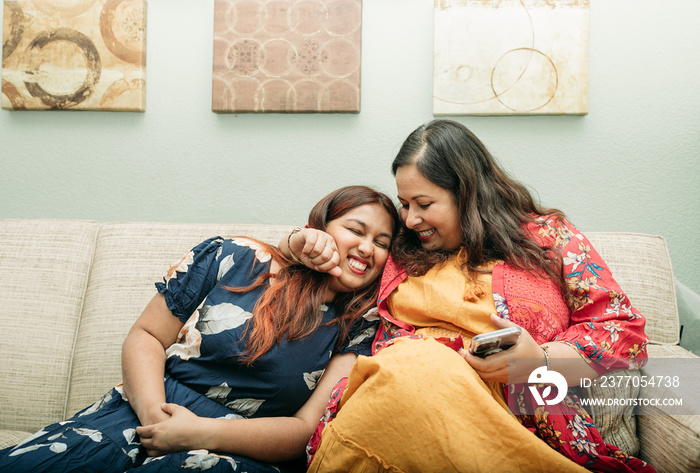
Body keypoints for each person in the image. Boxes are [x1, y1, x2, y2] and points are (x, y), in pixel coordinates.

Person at [286, 120, 654, 472]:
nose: (411, 219)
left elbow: (623, 330)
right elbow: (337, 255)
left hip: (509, 413)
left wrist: (540, 360)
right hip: (395, 395)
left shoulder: (547, 238)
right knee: (412, 365)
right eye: (405, 203)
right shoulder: (398, 245)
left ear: (468, 192)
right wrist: (295, 241)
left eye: (424, 204)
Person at [0, 185, 399, 473]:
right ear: (321, 226)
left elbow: (302, 430)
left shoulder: (362, 328)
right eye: (356, 230)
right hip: (143, 411)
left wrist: (196, 434)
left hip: (238, 451)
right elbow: (148, 336)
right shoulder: (233, 256)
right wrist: (157, 420)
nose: (368, 248)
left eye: (382, 243)